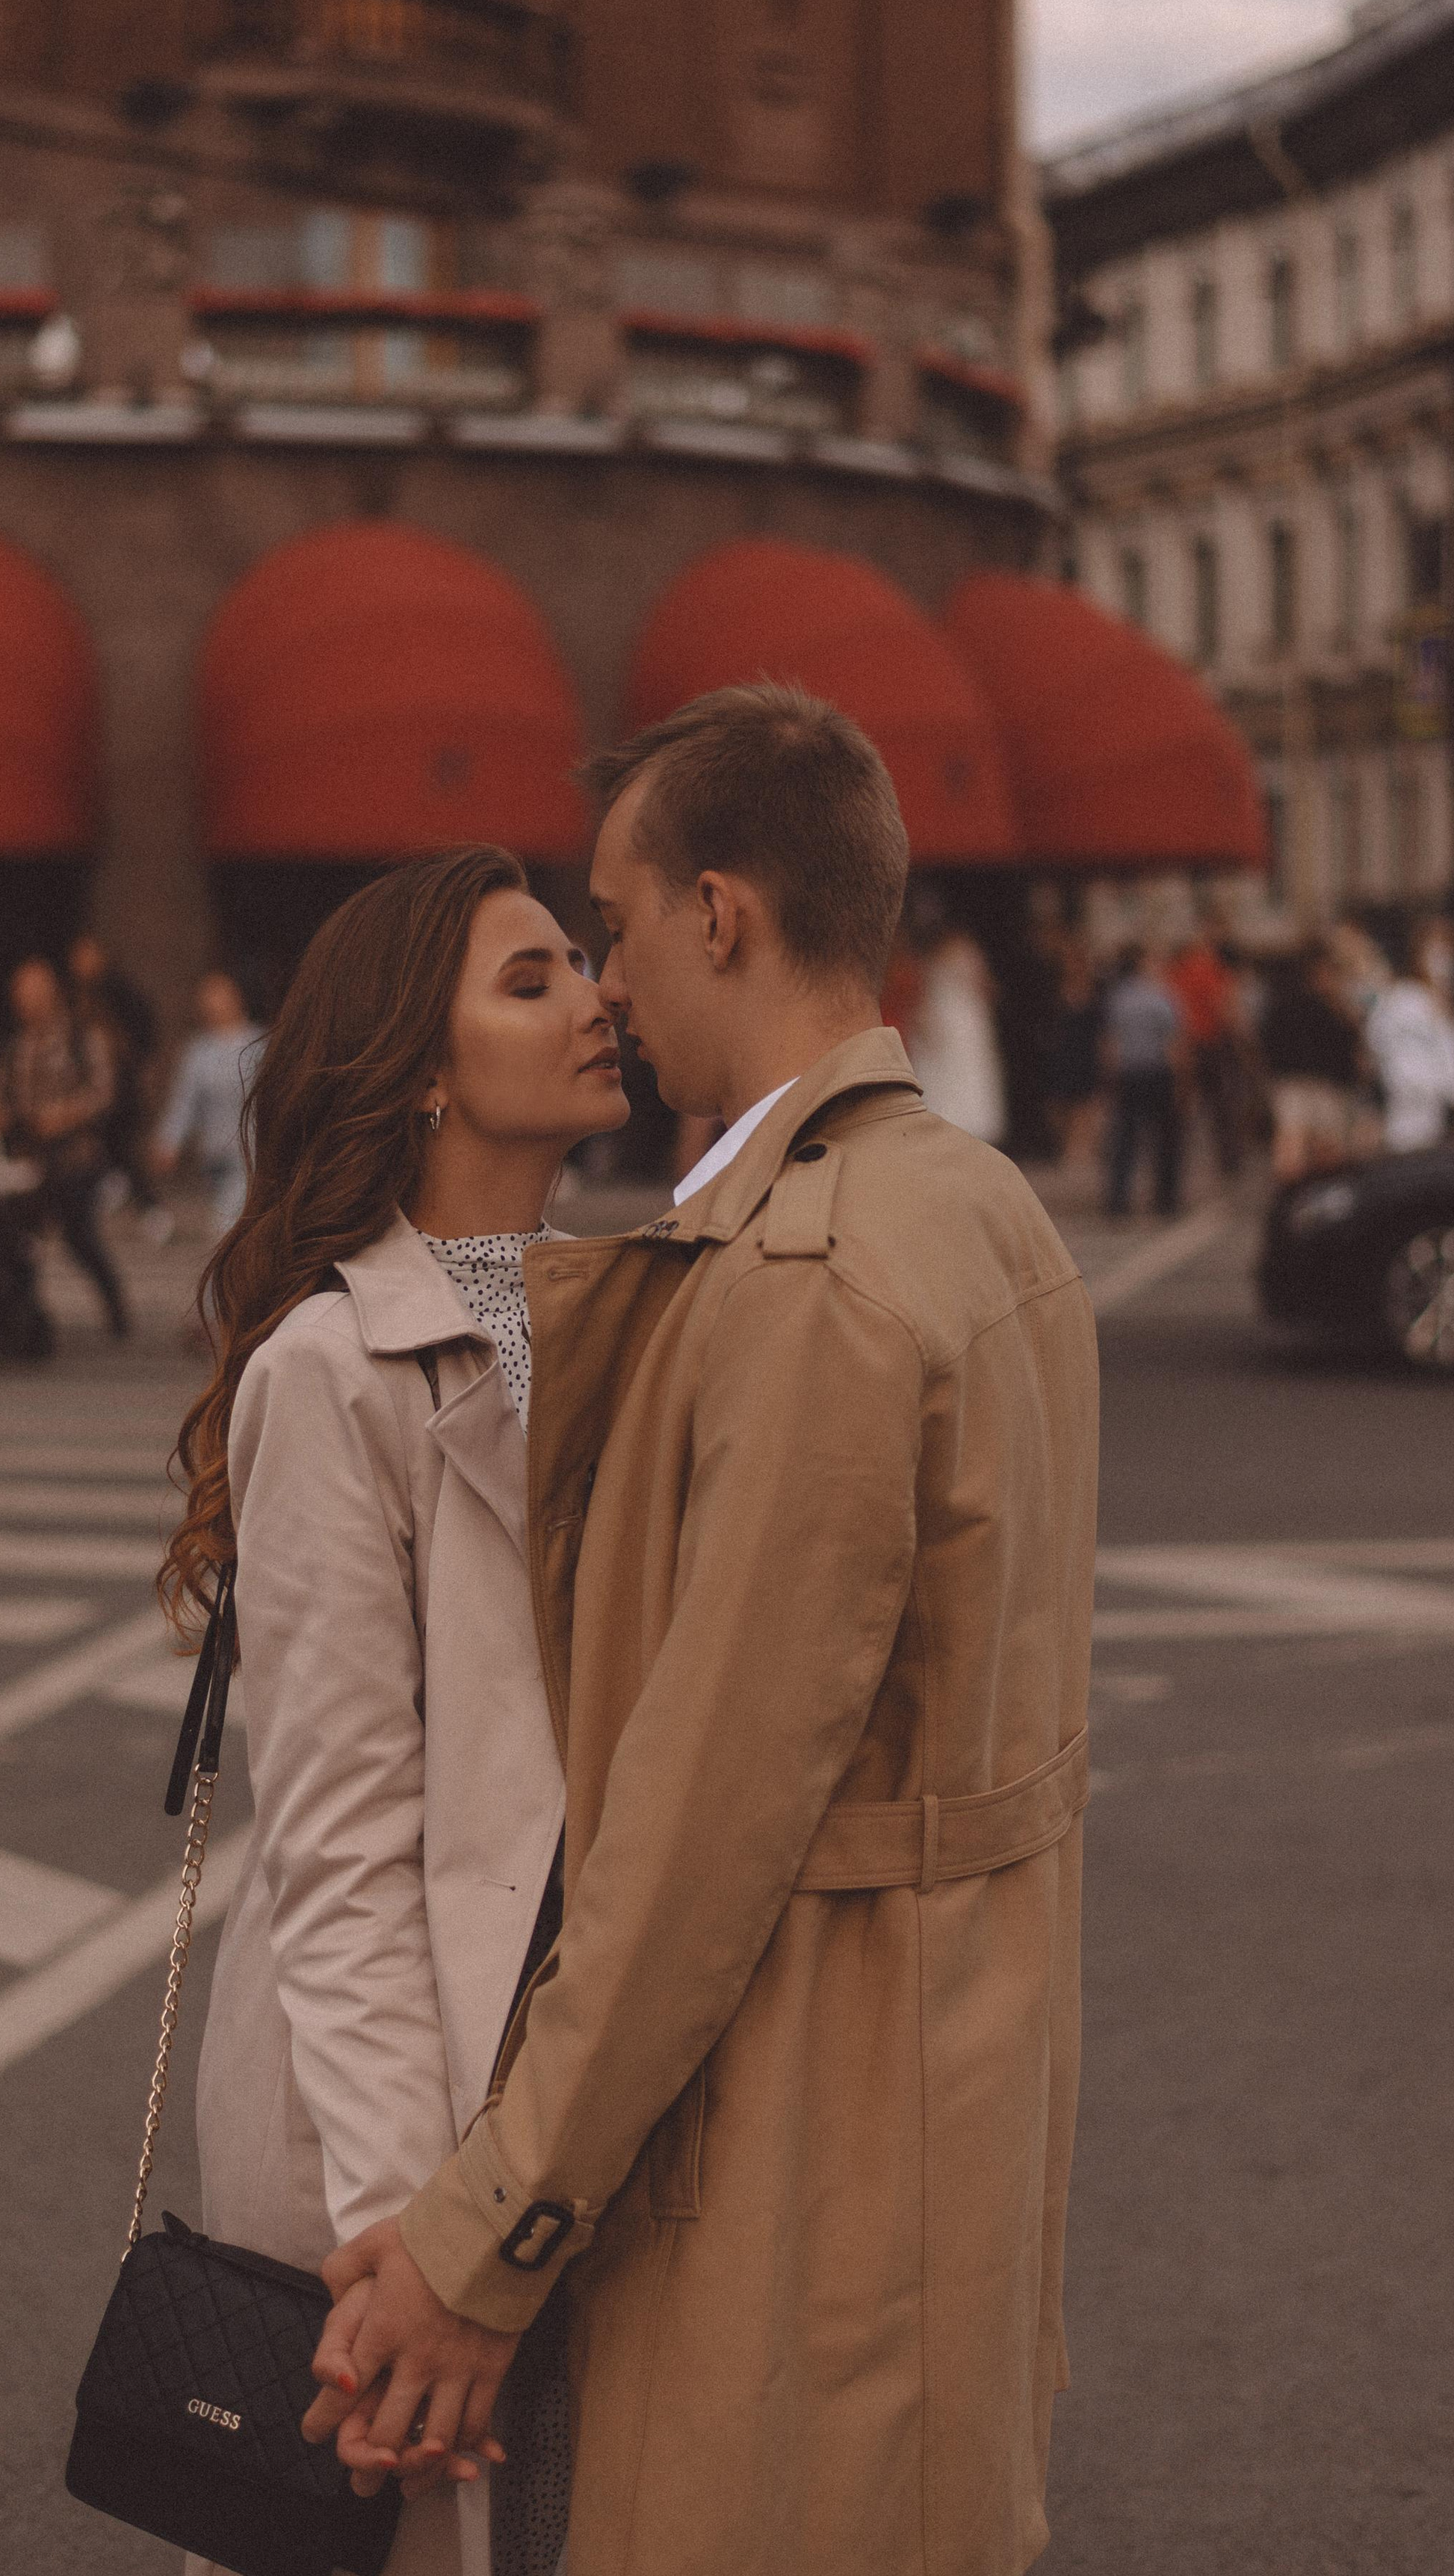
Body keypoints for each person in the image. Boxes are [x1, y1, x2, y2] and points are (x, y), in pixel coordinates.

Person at [305, 684, 1098, 2576]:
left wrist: (480, 2230)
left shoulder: (808, 1275)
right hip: (947, 2107)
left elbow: (687, 1844)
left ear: (718, 912)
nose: (607, 981)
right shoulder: (975, 1208)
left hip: (797, 2155)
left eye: (616, 920)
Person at [163, 848, 631, 2576]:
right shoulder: (326, 1366)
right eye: (532, 977)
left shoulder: (606, 1308)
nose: (595, 996)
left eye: (585, 960)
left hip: (549, 2102)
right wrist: (405, 2248)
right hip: (386, 2113)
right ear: (418, 1065)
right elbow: (342, 1848)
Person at [0, 957, 130, 1337]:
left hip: (75, 1158)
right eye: (20, 994)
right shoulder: (13, 1048)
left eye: (33, 993)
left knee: (79, 1235)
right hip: (27, 1160)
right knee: (13, 1237)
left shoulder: (83, 1039)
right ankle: (18, 1312)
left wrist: (63, 1117)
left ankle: (114, 1303)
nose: (25, 1002)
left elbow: (104, 1093)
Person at [149, 970, 264, 1236]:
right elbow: (184, 1100)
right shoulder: (199, 1051)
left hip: (250, 1153)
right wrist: (169, 1140)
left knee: (227, 1227)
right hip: (214, 1155)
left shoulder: (259, 1044)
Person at [67, 932, 167, 1233]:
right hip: (94, 1084)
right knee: (107, 1148)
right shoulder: (79, 995)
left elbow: (143, 1031)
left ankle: (150, 1209)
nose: (80, 963)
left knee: (119, 1146)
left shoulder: (118, 991)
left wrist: (144, 1068)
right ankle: (118, 1189)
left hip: (122, 1083)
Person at [902, 888, 1006, 1145]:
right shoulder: (961, 950)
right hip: (963, 1020)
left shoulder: (930, 954)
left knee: (953, 1077)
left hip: (950, 1019)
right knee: (961, 1076)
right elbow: (986, 987)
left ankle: (952, 1127)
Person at [1258, 944, 1367, 1184]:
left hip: (1290, 1081)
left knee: (1293, 1144)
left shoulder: (1280, 1003)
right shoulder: (1329, 1006)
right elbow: (1347, 1046)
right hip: (1322, 1084)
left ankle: (1293, 1195)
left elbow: (1266, 1044)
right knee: (1325, 1148)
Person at [1364, 936, 1454, 1153]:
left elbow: (1374, 1044)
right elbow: (1451, 1049)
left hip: (1405, 1093)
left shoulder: (1390, 999)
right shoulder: (1428, 1001)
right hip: (1424, 1095)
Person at [1102, 942, 1184, 1217]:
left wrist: (1111, 1076)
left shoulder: (1120, 998)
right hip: (1157, 1072)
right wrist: (1181, 1080)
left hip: (1128, 1073)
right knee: (1165, 1140)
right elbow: (1174, 1043)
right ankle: (1165, 1199)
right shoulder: (1165, 997)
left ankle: (1118, 1200)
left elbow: (1111, 1042)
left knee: (1125, 1138)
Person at [1166, 921, 1248, 1179]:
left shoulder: (1175, 970)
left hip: (1185, 1045)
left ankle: (1178, 1165)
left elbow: (1171, 1007)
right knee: (1223, 1107)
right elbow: (1223, 1007)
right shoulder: (1211, 967)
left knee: (1183, 1109)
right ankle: (1230, 1161)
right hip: (1213, 1043)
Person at [1045, 933, 1107, 1167]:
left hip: (1086, 1049)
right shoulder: (1056, 989)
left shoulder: (1096, 990)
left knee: (1085, 1102)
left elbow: (1101, 1026)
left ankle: (1081, 1150)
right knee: (1060, 1102)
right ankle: (1067, 1145)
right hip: (1063, 1050)